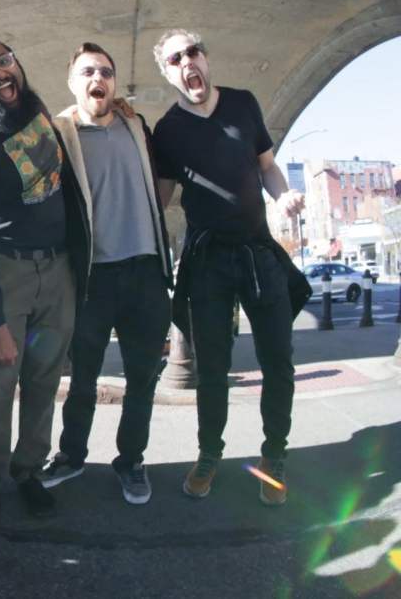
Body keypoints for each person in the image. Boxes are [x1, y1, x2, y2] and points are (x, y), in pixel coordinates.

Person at [151, 29, 309, 506]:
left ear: (205, 57)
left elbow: (267, 166)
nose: (187, 63)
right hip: (207, 260)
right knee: (213, 368)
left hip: (259, 253)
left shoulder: (243, 103)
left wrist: (283, 196)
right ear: (167, 72)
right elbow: (160, 199)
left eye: (193, 52)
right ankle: (209, 455)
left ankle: (273, 456)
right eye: (176, 58)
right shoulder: (168, 130)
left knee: (278, 362)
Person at [0, 38, 91, 525]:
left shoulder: (34, 109)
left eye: (4, 61)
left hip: (59, 268)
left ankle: (27, 472)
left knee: (45, 379)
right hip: (5, 275)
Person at [45, 42, 174, 505]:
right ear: (72, 83)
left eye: (105, 71)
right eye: (86, 72)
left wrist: (148, 222)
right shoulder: (60, 133)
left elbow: (164, 181)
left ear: (114, 82)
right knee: (84, 378)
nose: (97, 78)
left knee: (143, 378)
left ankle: (131, 460)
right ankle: (71, 455)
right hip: (92, 277)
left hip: (145, 273)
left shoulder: (136, 125)